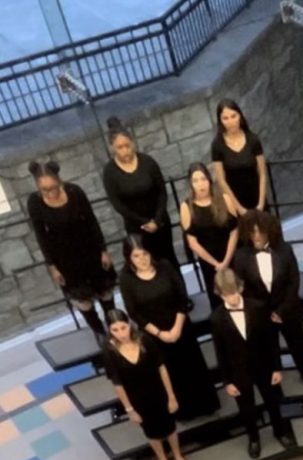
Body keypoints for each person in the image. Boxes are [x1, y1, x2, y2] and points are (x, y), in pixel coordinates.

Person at [119, 235, 219, 421]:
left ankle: (206, 405)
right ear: (129, 258)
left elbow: (182, 297)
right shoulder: (126, 279)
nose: (142, 259)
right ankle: (184, 412)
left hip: (180, 326)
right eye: (136, 256)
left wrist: (176, 328)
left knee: (193, 367)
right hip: (155, 335)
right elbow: (133, 312)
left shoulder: (165, 266)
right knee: (171, 373)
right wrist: (160, 333)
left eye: (144, 254)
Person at [210, 268, 294, 459]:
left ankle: (280, 431)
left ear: (240, 288)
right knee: (246, 409)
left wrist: (277, 367)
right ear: (219, 293)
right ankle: (253, 439)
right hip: (239, 371)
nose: (231, 298)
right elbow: (220, 351)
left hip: (263, 365)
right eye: (226, 294)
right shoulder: (216, 318)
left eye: (233, 292)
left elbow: (271, 340)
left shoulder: (258, 307)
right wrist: (227, 381)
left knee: (272, 402)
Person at [27, 160, 116, 336]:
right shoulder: (35, 202)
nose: (50, 193)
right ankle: (101, 334)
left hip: (90, 250)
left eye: (53, 187)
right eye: (44, 190)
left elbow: (92, 221)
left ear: (59, 181)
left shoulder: (75, 192)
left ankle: (115, 326)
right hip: (65, 259)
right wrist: (52, 266)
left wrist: (103, 250)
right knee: (84, 301)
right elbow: (41, 236)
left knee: (105, 293)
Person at [233, 210, 303, 391]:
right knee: (267, 350)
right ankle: (274, 383)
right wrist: (265, 312)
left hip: (288, 309)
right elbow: (244, 290)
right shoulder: (240, 256)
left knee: (299, 344)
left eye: (260, 231)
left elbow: (293, 282)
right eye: (252, 232)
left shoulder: (285, 249)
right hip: (261, 314)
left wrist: (281, 311)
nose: (256, 236)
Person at [105, 310, 191, 460]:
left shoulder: (145, 340)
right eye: (115, 330)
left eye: (123, 327)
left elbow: (161, 368)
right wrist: (129, 409)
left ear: (129, 324)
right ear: (109, 330)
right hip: (138, 399)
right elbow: (117, 384)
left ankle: (178, 455)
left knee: (170, 427)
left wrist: (171, 396)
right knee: (151, 432)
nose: (121, 333)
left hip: (158, 392)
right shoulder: (110, 351)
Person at [102, 117, 179, 271]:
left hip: (160, 221)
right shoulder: (110, 172)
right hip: (136, 227)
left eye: (127, 146)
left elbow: (161, 191)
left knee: (169, 259)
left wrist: (157, 220)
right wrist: (143, 223)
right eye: (120, 147)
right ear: (112, 148)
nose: (125, 151)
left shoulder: (147, 162)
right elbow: (118, 204)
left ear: (133, 143)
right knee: (148, 264)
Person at [180, 162, 239, 310]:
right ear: (191, 184)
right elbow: (192, 242)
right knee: (218, 300)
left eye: (203, 179)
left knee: (238, 291)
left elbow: (234, 231)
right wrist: (216, 264)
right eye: (196, 180)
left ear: (209, 180)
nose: (201, 184)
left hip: (230, 254)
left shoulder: (224, 199)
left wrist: (226, 260)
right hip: (208, 262)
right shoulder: (187, 207)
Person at [211, 99, 268, 214]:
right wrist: (239, 209)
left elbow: (262, 173)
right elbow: (221, 180)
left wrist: (261, 204)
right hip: (235, 202)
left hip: (257, 198)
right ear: (220, 121)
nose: (231, 121)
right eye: (225, 118)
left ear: (240, 116)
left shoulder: (253, 140)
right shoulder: (217, 145)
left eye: (233, 116)